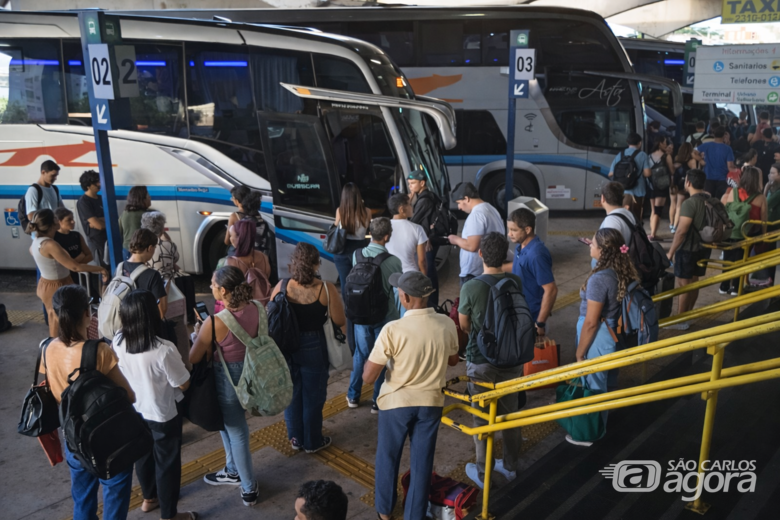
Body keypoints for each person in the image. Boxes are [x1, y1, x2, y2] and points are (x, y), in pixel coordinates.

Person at [364, 271, 459, 520]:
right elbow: (452, 360)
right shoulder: (446, 323)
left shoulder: (392, 329)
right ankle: (414, 516)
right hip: (430, 403)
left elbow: (368, 377)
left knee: (388, 457)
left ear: (405, 298)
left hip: (395, 404)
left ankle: (384, 512)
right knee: (422, 463)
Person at [42, 285, 136, 520]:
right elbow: (129, 396)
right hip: (107, 439)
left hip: (74, 439)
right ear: (88, 313)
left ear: (55, 313)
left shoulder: (46, 348)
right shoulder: (99, 351)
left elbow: (53, 390)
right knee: (115, 490)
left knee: (83, 499)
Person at [113, 290, 195, 520]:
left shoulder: (118, 341)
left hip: (135, 411)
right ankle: (169, 515)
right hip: (163, 413)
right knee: (167, 463)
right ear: (151, 314)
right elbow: (184, 384)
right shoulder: (163, 349)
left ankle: (149, 498)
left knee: (143, 456)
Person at [189, 266, 261, 506]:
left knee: (236, 430)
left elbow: (194, 357)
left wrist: (198, 333)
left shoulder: (215, 322)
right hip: (252, 375)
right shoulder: (258, 308)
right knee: (231, 426)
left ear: (223, 290)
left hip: (228, 379)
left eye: (212, 285)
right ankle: (232, 469)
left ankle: (248, 487)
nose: (210, 288)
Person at [459, 233, 526, 487]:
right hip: (512, 359)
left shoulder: (472, 287)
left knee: (481, 419)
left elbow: (464, 325)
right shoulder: (514, 281)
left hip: (482, 362)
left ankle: (483, 473)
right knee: (510, 414)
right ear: (505, 254)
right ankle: (509, 467)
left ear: (480, 255)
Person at [270, 243, 345, 453]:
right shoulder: (325, 288)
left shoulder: (282, 286)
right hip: (313, 345)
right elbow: (339, 320)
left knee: (292, 394)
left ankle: (296, 439)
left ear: (294, 262)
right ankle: (312, 441)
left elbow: (271, 313)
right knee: (313, 395)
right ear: (316, 264)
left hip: (286, 346)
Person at [570, 228, 638, 446]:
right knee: (606, 383)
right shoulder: (620, 270)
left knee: (593, 386)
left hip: (598, 338)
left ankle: (589, 433)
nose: (590, 246)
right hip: (614, 336)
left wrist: (580, 353)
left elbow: (591, 322)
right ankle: (602, 426)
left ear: (602, 251)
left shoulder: (599, 279)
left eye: (594, 244)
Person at [346, 217, 402, 412]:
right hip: (385, 316)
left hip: (361, 314)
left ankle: (353, 396)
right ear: (387, 236)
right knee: (382, 357)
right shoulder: (394, 261)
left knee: (361, 355)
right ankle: (377, 401)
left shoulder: (357, 254)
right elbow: (395, 289)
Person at [28, 209, 107, 337]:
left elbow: (31, 251)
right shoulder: (50, 244)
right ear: (53, 223)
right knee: (61, 320)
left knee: (55, 317)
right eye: (55, 218)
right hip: (57, 285)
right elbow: (75, 267)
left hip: (46, 283)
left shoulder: (38, 240)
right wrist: (100, 269)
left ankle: (57, 347)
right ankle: (59, 348)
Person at [141, 211, 191, 364]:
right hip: (170, 293)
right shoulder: (168, 245)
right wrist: (165, 237)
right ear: (162, 227)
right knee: (176, 328)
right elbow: (175, 258)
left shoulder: (142, 247)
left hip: (150, 293)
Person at [666, 169, 713, 330]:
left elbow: (681, 231)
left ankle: (680, 320)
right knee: (694, 282)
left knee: (683, 284)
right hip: (704, 248)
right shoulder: (709, 199)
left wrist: (671, 251)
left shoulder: (689, 203)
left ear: (688, 183)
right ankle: (688, 315)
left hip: (687, 249)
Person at [505, 210, 557, 336]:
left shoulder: (536, 255)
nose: (509, 234)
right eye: (508, 229)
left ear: (527, 229)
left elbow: (551, 290)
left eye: (514, 230)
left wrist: (539, 323)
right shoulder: (521, 246)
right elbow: (522, 267)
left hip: (532, 319)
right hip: (521, 313)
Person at [332, 182, 371, 353]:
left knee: (347, 293)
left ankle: (352, 345)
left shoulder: (340, 211)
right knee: (361, 290)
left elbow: (336, 229)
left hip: (341, 253)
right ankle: (365, 335)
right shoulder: (367, 212)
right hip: (360, 252)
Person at [719, 167, 767, 294]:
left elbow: (725, 212)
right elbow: (763, 221)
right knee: (742, 260)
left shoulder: (732, 192)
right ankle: (736, 287)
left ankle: (723, 286)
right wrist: (762, 237)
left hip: (731, 232)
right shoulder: (760, 198)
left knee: (727, 260)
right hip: (748, 234)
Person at [447, 182, 504, 285]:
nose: (459, 207)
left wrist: (455, 239)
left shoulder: (476, 215)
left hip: (474, 274)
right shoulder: (491, 209)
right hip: (489, 270)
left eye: (459, 203)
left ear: (467, 199)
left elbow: (472, 246)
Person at [408, 170, 444, 307]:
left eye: (412, 183)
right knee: (430, 269)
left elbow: (413, 222)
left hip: (427, 240)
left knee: (428, 270)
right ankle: (433, 303)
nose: (410, 186)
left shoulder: (424, 200)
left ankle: (432, 303)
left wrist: (408, 203)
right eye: (409, 184)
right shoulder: (430, 196)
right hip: (431, 237)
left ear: (422, 183)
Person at [123, 228, 168, 320]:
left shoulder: (119, 268)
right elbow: (161, 311)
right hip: (143, 327)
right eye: (155, 248)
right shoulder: (152, 275)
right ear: (150, 248)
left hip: (123, 326)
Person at [608, 133, 651, 223]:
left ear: (627, 142)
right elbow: (647, 174)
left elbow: (611, 173)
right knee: (636, 218)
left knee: (623, 216)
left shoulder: (620, 154)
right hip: (638, 192)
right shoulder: (643, 155)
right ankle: (635, 234)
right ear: (640, 143)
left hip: (623, 191)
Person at [386, 193, 428, 273]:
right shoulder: (417, 229)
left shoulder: (382, 227)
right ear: (402, 209)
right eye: (410, 204)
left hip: (389, 275)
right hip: (410, 275)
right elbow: (422, 261)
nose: (412, 208)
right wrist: (424, 280)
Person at [54, 207, 93, 283]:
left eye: (73, 219)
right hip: (67, 277)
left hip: (82, 275)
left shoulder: (76, 235)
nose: (73, 221)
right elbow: (61, 265)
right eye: (69, 220)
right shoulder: (55, 239)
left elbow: (90, 256)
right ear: (59, 222)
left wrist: (73, 264)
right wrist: (79, 258)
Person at [647, 136, 675, 241]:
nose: (666, 145)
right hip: (661, 186)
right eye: (664, 143)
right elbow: (672, 171)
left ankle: (652, 233)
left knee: (653, 210)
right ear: (659, 144)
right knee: (658, 211)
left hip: (651, 185)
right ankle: (653, 235)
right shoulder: (666, 156)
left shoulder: (649, 156)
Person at [697, 127, 736, 200]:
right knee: (720, 201)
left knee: (707, 201)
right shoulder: (728, 149)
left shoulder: (706, 145)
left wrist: (700, 160)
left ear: (713, 135)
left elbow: (693, 152)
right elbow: (730, 166)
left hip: (708, 178)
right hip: (722, 179)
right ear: (724, 135)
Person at [671, 143, 700, 232]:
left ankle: (674, 226)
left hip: (679, 184)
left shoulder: (677, 159)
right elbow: (695, 173)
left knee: (678, 206)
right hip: (688, 185)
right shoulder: (692, 161)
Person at [25, 159, 63, 224]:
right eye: (53, 175)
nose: (55, 178)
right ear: (43, 172)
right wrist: (50, 219)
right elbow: (31, 216)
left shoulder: (55, 189)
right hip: (41, 232)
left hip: (53, 231)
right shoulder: (33, 190)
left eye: (56, 176)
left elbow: (62, 209)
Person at [596, 182, 635, 247]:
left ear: (603, 198)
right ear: (622, 198)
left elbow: (610, 250)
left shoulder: (611, 221)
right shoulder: (628, 213)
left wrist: (595, 248)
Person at [119, 186, 152, 261]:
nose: (150, 197)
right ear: (141, 199)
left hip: (126, 250)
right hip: (140, 252)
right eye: (147, 196)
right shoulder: (146, 215)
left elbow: (119, 231)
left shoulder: (125, 213)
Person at [224, 185, 251, 254]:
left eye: (233, 198)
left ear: (237, 201)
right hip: (254, 251)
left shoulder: (234, 216)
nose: (232, 200)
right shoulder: (255, 213)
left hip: (241, 254)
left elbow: (227, 241)